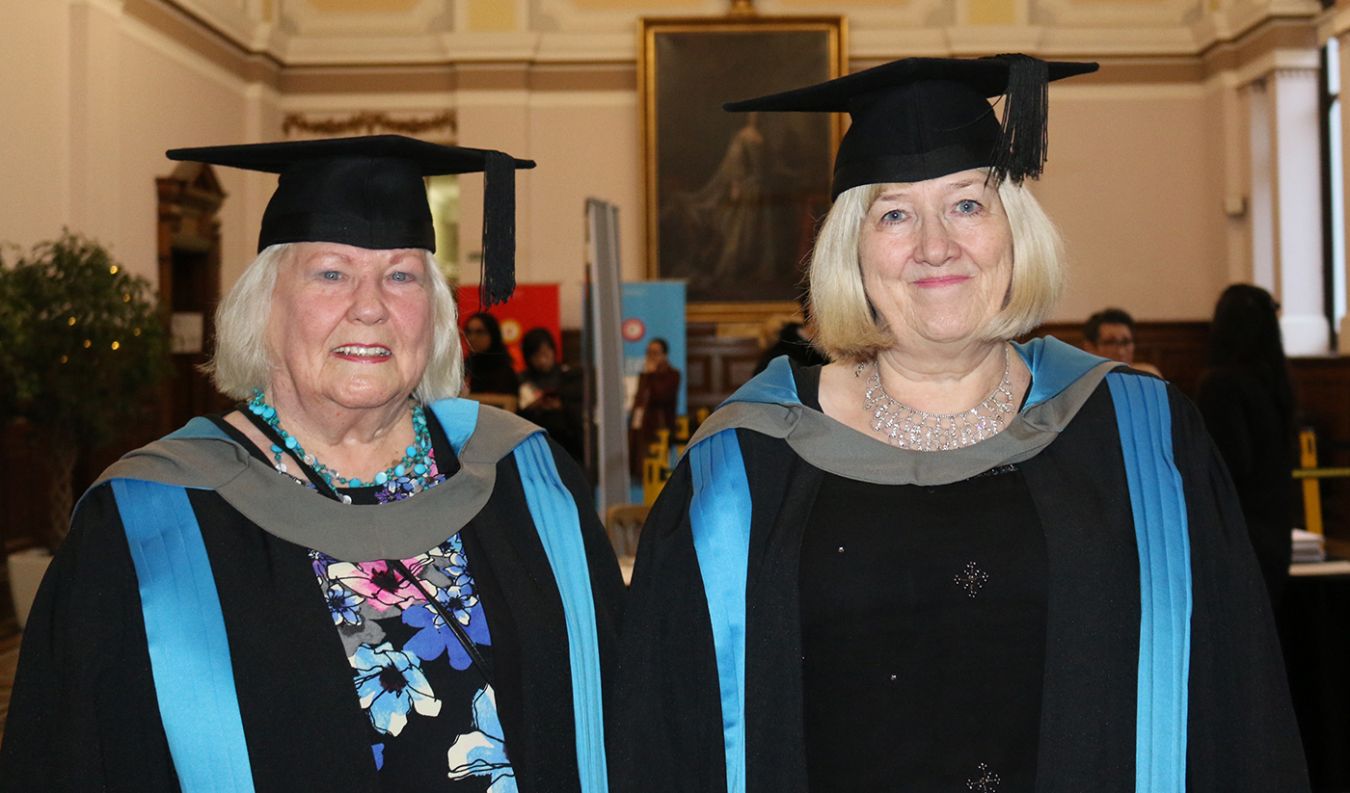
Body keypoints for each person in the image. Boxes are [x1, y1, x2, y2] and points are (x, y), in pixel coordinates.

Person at [619, 56, 1308, 792]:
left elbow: (1235, 706)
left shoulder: (1142, 440)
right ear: (851, 250)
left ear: (1016, 230)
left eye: (967, 204)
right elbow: (666, 733)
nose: (935, 245)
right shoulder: (746, 468)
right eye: (894, 213)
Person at [0, 135, 625, 793]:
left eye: (402, 274)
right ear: (265, 308)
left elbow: (622, 713)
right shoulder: (149, 519)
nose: (370, 304)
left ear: (436, 316)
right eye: (331, 272)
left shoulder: (525, 479)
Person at [1197, 284, 1296, 612]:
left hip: (1238, 535)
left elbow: (1227, 464)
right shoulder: (1276, 383)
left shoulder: (1222, 385)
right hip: (1276, 532)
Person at [518, 326, 584, 463]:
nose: (542, 360)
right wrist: (534, 407)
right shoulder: (520, 380)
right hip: (532, 445)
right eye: (536, 356)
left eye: (545, 353)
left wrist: (562, 406)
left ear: (553, 351)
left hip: (567, 445)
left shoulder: (570, 376)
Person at [627, 338, 680, 481]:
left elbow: (661, 397)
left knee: (655, 474)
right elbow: (640, 399)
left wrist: (652, 374)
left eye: (655, 352)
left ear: (664, 355)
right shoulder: (645, 375)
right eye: (648, 352)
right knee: (638, 469)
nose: (651, 356)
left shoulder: (673, 374)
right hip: (640, 425)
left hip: (658, 427)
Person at [463, 310, 520, 413]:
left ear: (493, 335)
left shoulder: (505, 371)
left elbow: (510, 404)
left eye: (479, 332)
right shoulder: (464, 367)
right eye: (469, 332)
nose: (472, 338)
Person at [1083, 306, 1163, 377]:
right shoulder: (1084, 380)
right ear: (1090, 347)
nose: (1121, 352)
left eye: (1126, 342)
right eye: (1110, 343)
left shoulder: (1147, 374)